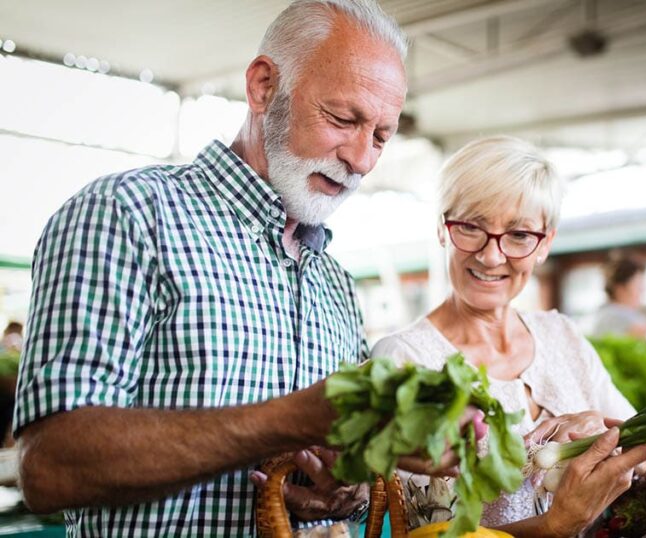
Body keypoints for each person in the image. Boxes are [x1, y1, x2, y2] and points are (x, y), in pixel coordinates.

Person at [14, 1, 410, 535]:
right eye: (343, 118)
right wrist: (286, 421)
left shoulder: (333, 281)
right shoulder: (130, 214)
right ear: (264, 86)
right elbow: (50, 466)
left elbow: (344, 470)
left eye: (381, 136)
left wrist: (345, 490)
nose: (362, 159)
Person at [370, 137, 646, 537]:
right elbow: (426, 530)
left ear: (545, 244)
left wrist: (613, 443)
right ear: (441, 229)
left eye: (518, 235)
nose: (491, 256)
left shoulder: (562, 337)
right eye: (471, 227)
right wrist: (555, 526)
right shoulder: (404, 360)